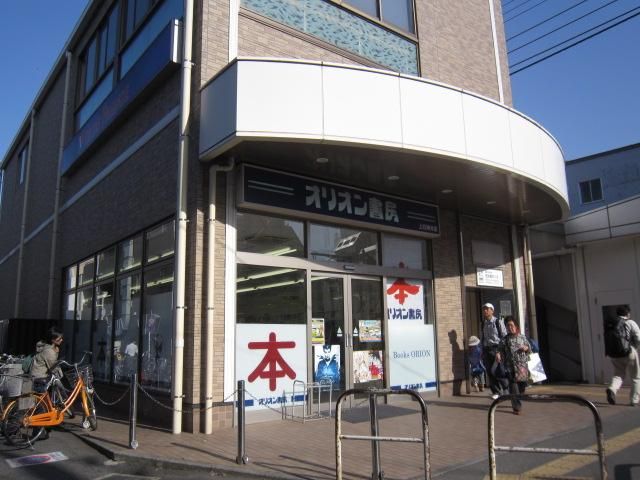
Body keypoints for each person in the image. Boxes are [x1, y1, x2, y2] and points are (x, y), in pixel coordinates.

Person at [605, 305, 640, 406]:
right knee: (635, 377)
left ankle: (612, 389)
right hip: (629, 352)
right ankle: (634, 400)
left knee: (618, 374)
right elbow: (638, 338)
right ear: (627, 313)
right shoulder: (630, 322)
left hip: (614, 354)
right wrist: (635, 348)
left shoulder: (612, 324)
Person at [496, 316, 531, 415]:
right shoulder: (504, 340)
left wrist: (526, 348)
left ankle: (520, 395)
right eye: (508, 326)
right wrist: (498, 354)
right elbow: (499, 349)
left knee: (521, 388)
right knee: (513, 388)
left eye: (511, 325)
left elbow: (529, 348)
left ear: (516, 326)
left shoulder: (522, 337)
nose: (510, 327)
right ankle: (517, 408)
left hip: (522, 368)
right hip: (510, 368)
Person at [480, 303, 507, 399]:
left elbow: (504, 337)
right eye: (484, 309)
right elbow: (482, 338)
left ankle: (506, 389)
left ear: (492, 310)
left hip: (496, 349)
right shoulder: (483, 323)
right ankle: (496, 392)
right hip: (487, 350)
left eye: (487, 309)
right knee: (490, 372)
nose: (485, 311)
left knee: (499, 371)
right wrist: (482, 350)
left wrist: (500, 351)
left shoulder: (498, 322)